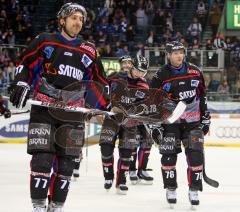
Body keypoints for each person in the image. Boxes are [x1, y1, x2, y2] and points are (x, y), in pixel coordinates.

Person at [9, 2, 108, 212]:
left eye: (81, 19)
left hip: (72, 115)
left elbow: (100, 83)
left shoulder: (89, 50)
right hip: (44, 110)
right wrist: (21, 82)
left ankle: (56, 207)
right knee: (42, 161)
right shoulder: (45, 41)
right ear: (62, 20)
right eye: (74, 17)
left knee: (66, 167)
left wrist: (102, 105)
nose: (78, 22)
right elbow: (24, 64)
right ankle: (38, 207)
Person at [150, 41, 211, 207]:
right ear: (168, 55)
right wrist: (155, 126)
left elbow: (203, 96)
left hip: (193, 123)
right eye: (175, 53)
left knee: (195, 156)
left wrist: (206, 118)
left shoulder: (195, 71)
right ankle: (171, 188)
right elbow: (153, 102)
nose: (179, 56)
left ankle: (194, 190)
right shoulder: (160, 75)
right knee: (168, 158)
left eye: (181, 52)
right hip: (170, 123)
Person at [99, 55, 150, 195]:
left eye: (143, 72)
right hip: (112, 118)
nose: (140, 74)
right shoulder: (115, 77)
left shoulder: (144, 85)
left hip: (129, 122)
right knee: (105, 147)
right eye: (138, 70)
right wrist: (103, 106)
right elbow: (102, 92)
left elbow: (144, 105)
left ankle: (121, 181)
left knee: (127, 152)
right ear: (132, 66)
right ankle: (108, 177)